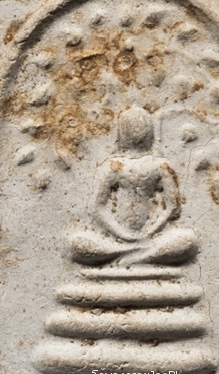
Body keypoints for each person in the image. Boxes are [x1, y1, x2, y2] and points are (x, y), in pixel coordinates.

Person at [69, 106, 198, 266]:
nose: (137, 133)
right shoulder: (113, 166)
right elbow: (98, 207)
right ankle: (140, 254)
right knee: (77, 243)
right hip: (118, 238)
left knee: (187, 240)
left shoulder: (159, 165)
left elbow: (172, 206)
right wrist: (122, 234)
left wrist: (149, 232)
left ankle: (129, 257)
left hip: (150, 237)